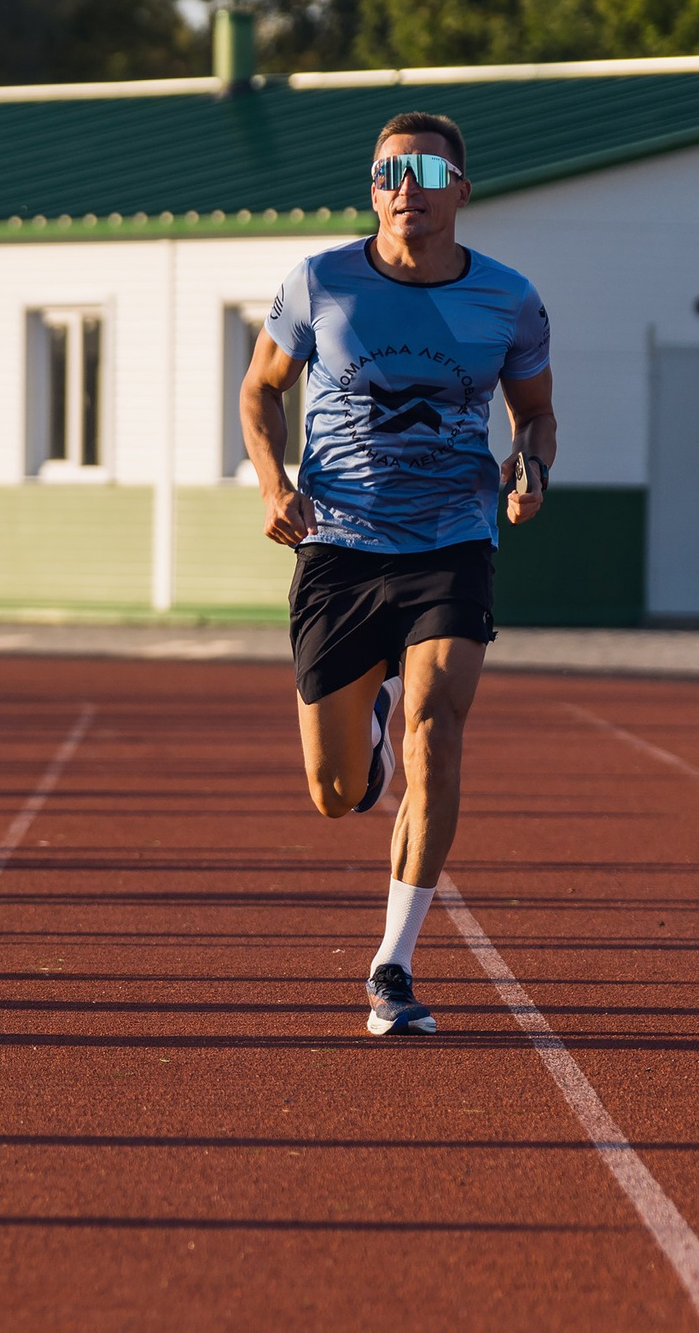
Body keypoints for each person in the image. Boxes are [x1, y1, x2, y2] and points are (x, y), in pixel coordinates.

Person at [240, 111, 556, 1037]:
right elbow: (262, 386)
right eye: (387, 172)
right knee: (336, 793)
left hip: (452, 541)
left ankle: (393, 964)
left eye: (423, 169)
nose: (404, 186)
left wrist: (532, 468)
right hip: (337, 546)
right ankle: (367, 722)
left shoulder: (510, 299)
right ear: (371, 188)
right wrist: (272, 481)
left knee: (438, 731)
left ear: (461, 187)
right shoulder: (317, 282)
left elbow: (534, 414)